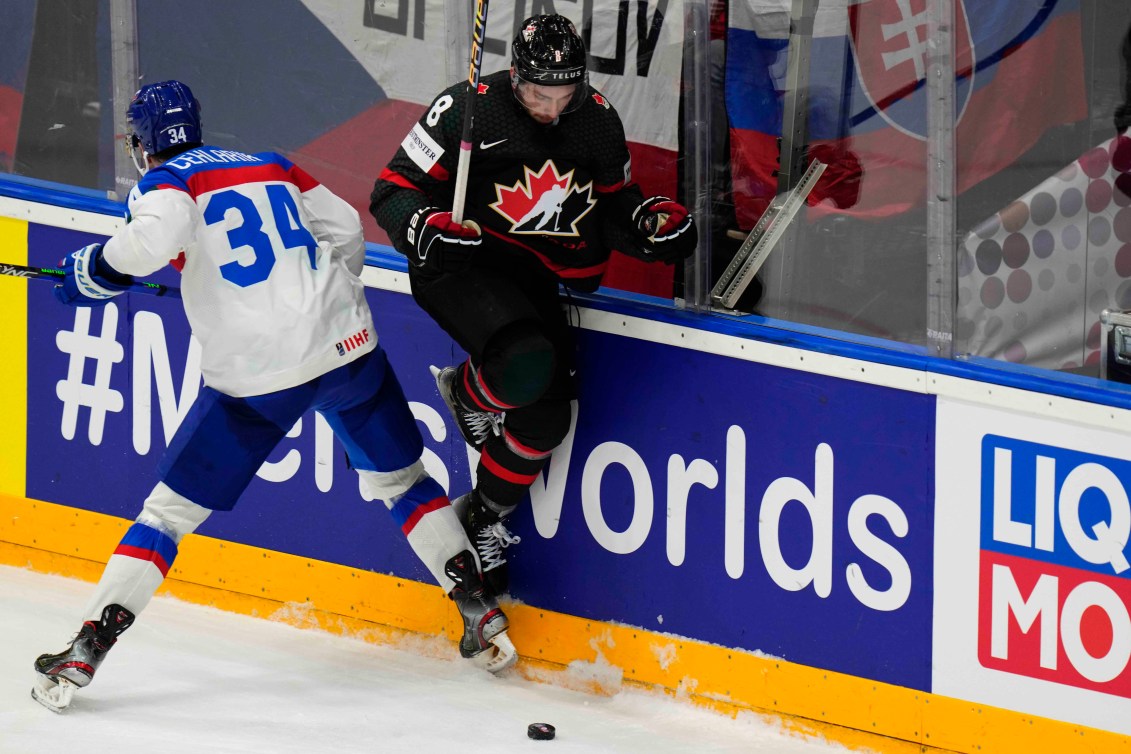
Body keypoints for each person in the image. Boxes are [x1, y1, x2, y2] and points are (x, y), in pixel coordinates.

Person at [32, 80, 515, 713]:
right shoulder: (266, 162)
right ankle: (477, 609)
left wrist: (94, 271)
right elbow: (344, 228)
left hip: (260, 378)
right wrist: (319, 297)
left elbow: (149, 243)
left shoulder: (163, 183)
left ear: (143, 142)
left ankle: (87, 646)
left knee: (167, 516)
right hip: (349, 347)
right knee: (402, 480)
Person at [368, 15, 697, 596]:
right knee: (523, 363)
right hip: (460, 260)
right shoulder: (467, 107)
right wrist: (422, 225)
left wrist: (648, 224)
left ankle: (483, 515)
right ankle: (466, 389)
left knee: (546, 420)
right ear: (516, 76)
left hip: (530, 272)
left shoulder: (595, 120)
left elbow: (614, 206)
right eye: (539, 94)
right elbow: (392, 190)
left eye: (563, 95)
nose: (551, 108)